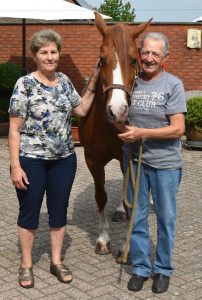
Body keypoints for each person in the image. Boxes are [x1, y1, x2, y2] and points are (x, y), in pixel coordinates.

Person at [8, 29, 99, 289]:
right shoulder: (24, 85)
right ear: (35, 56)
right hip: (31, 160)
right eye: (44, 52)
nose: (50, 57)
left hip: (64, 160)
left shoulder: (65, 81)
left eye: (53, 51)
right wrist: (16, 166)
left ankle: (56, 261)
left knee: (59, 210)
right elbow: (14, 129)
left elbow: (80, 108)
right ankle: (26, 264)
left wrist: (93, 80)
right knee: (29, 212)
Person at [117, 32, 187, 294]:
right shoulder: (131, 84)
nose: (149, 58)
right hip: (135, 161)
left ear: (165, 57)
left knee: (166, 219)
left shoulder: (173, 85)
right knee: (136, 217)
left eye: (155, 54)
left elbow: (178, 129)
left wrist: (142, 133)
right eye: (145, 52)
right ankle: (140, 268)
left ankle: (163, 269)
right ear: (139, 54)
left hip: (165, 164)